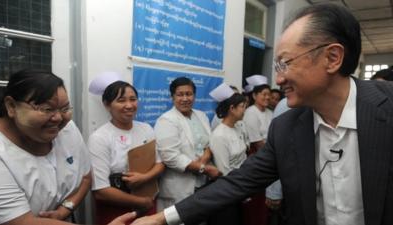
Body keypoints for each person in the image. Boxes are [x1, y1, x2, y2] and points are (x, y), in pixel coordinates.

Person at [130, 3, 393, 225]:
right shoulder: (286, 127)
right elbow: (236, 183)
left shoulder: (387, 107)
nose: (278, 78)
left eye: (285, 63)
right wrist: (160, 219)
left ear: (332, 58)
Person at [0, 70, 91, 225]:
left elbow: (86, 177)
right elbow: (22, 222)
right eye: (46, 109)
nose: (58, 118)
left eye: (65, 109)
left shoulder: (67, 129)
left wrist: (64, 210)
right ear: (11, 106)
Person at [88, 72, 164, 225]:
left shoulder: (146, 128)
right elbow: (101, 191)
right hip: (115, 210)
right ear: (107, 105)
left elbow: (160, 163)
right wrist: (141, 202)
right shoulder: (100, 138)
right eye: (121, 100)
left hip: (147, 201)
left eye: (133, 99)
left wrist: (144, 178)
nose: (129, 105)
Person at [154, 77, 221, 210]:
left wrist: (205, 158)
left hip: (203, 183)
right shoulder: (166, 120)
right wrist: (203, 168)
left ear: (194, 96)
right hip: (180, 186)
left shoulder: (201, 115)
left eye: (189, 94)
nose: (185, 98)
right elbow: (170, 156)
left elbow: (209, 142)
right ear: (172, 97)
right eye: (180, 94)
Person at [207, 83, 249, 225]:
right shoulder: (219, 135)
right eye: (243, 107)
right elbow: (223, 172)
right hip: (227, 194)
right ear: (232, 108)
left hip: (240, 187)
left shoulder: (237, 128)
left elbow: (243, 158)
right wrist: (241, 192)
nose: (245, 111)